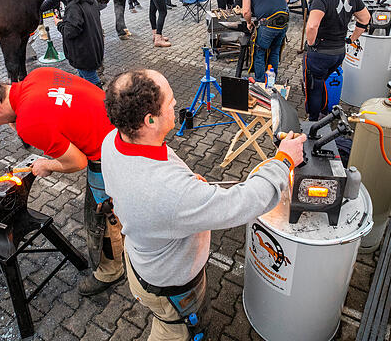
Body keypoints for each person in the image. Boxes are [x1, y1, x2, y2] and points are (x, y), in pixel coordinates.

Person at [102, 69, 306, 341]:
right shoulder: (169, 192)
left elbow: (147, 188)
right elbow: (241, 204)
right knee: (175, 332)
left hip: (142, 262)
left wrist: (187, 189)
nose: (176, 104)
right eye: (170, 100)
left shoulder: (112, 141)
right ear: (150, 120)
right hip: (172, 288)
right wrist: (283, 162)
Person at [0, 68, 125, 295]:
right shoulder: (36, 76)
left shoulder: (30, 122)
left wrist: (47, 165)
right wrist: (16, 121)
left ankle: (110, 272)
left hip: (110, 150)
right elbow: (48, 111)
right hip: (120, 122)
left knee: (99, 218)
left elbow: (77, 162)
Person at [304, 0, 370, 121]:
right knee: (322, 83)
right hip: (339, 52)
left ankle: (313, 122)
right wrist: (352, 38)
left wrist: (311, 44)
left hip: (320, 53)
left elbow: (312, 26)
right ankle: (324, 113)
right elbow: (366, 18)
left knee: (314, 88)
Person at [41, 0, 104, 87]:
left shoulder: (74, 6)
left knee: (92, 81)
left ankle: (103, 102)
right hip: (94, 48)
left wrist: (59, 24)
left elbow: (70, 32)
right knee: (83, 79)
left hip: (84, 53)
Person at [238, 0, 289, 81]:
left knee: (259, 53)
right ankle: (271, 80)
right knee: (275, 51)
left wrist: (249, 22)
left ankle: (260, 83)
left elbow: (246, 11)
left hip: (268, 24)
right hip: (284, 21)